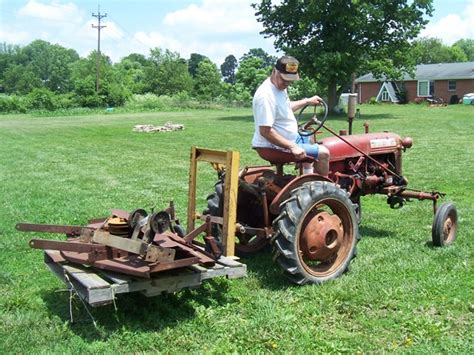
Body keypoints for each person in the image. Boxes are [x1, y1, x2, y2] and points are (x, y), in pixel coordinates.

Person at [252, 55, 330, 176]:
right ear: (274, 71)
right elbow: (265, 131)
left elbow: (286, 107)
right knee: (324, 153)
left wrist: (307, 101)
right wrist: (292, 146)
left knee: (307, 137)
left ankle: (307, 177)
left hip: (288, 140)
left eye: (290, 80)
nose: (287, 83)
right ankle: (326, 190)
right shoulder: (266, 95)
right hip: (273, 146)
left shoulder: (279, 87)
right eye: (284, 79)